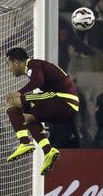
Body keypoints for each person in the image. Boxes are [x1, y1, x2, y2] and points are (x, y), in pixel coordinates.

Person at [5, 47, 79, 175]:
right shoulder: (35, 66)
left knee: (12, 102)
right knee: (28, 117)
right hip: (68, 106)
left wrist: (19, 92)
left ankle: (25, 143)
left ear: (16, 62)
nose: (9, 68)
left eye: (9, 64)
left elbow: (38, 81)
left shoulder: (32, 64)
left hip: (61, 99)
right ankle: (48, 150)